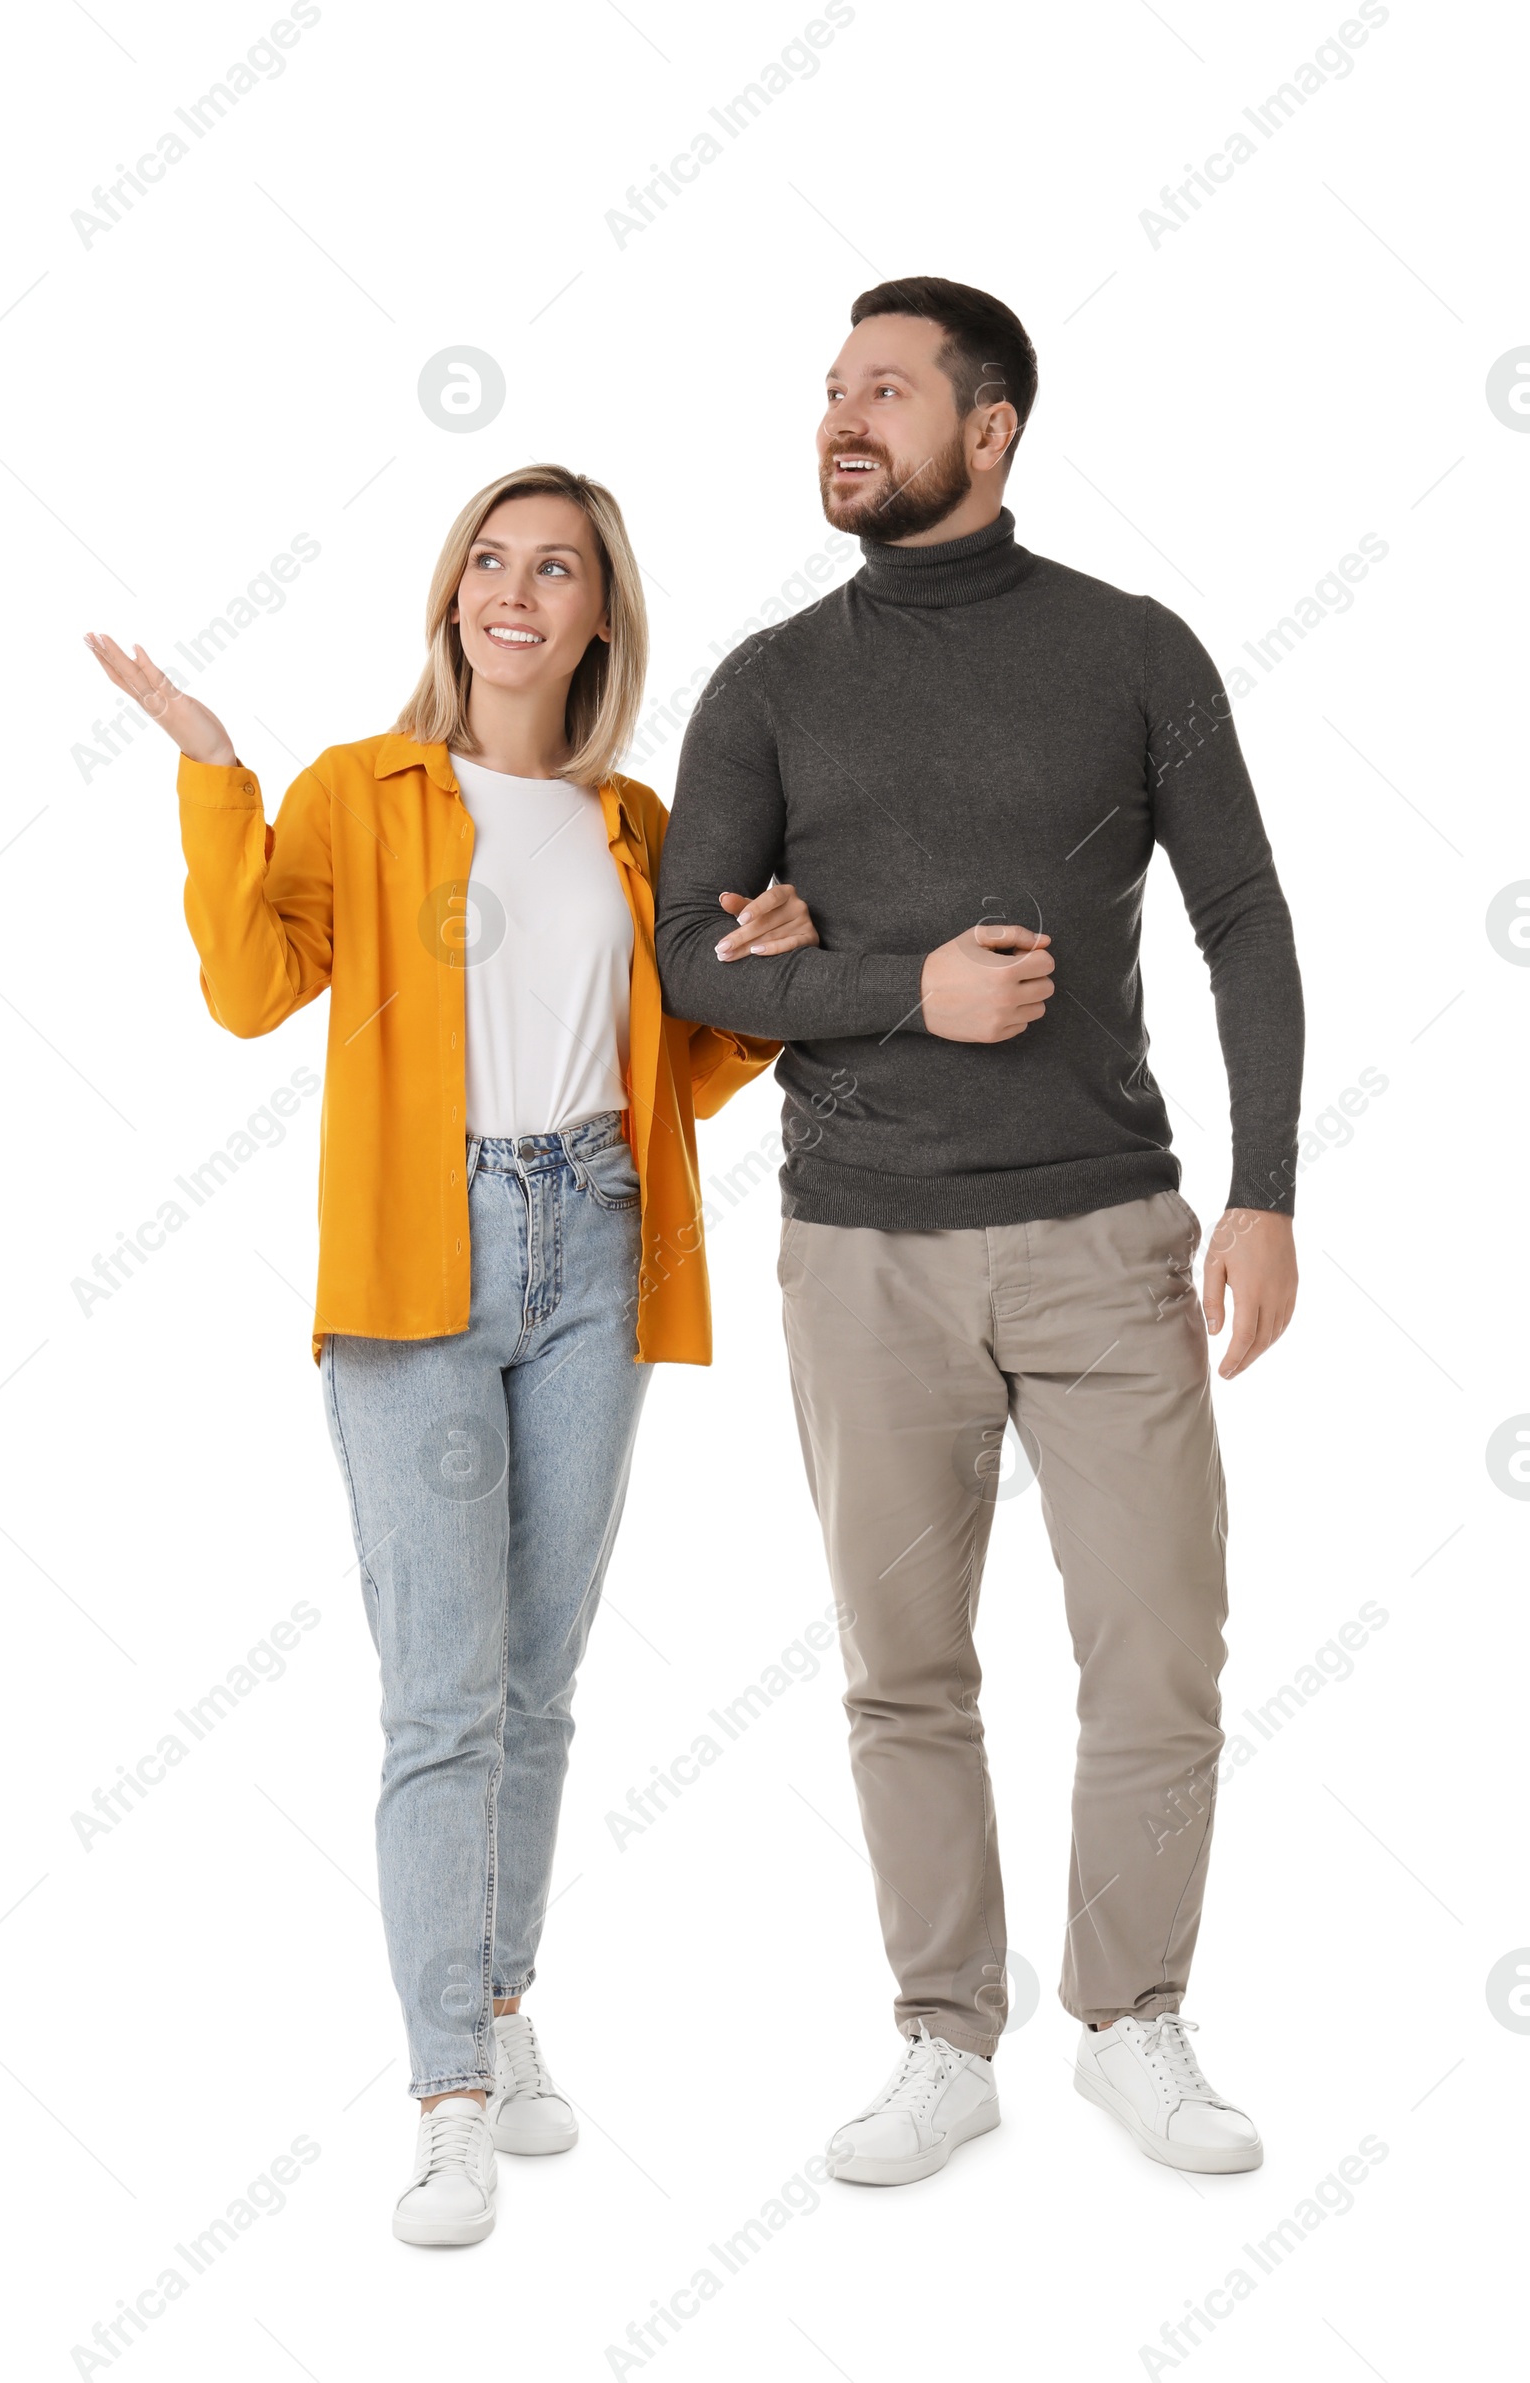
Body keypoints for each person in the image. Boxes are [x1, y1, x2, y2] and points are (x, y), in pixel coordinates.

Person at [84, 464, 817, 2245]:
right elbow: (256, 985)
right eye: (490, 560)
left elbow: (681, 1073)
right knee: (443, 1691)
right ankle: (448, 2096)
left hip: (598, 1244)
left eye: (554, 568)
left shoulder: (642, 826)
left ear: (596, 618)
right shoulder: (364, 791)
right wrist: (207, 768)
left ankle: (496, 2000)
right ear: (454, 597)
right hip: (422, 1262)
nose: (515, 590)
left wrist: (771, 986)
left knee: (542, 1679)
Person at [655, 279, 1304, 2185]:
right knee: (902, 1665)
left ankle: (1135, 2019)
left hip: (1112, 1233)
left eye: (883, 389)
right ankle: (946, 2035)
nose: (841, 416)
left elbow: (1245, 917)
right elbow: (693, 965)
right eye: (830, 389)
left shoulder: (1132, 650)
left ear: (991, 425)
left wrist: (1265, 1188)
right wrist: (894, 993)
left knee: (1163, 1645)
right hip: (860, 1250)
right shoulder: (768, 680)